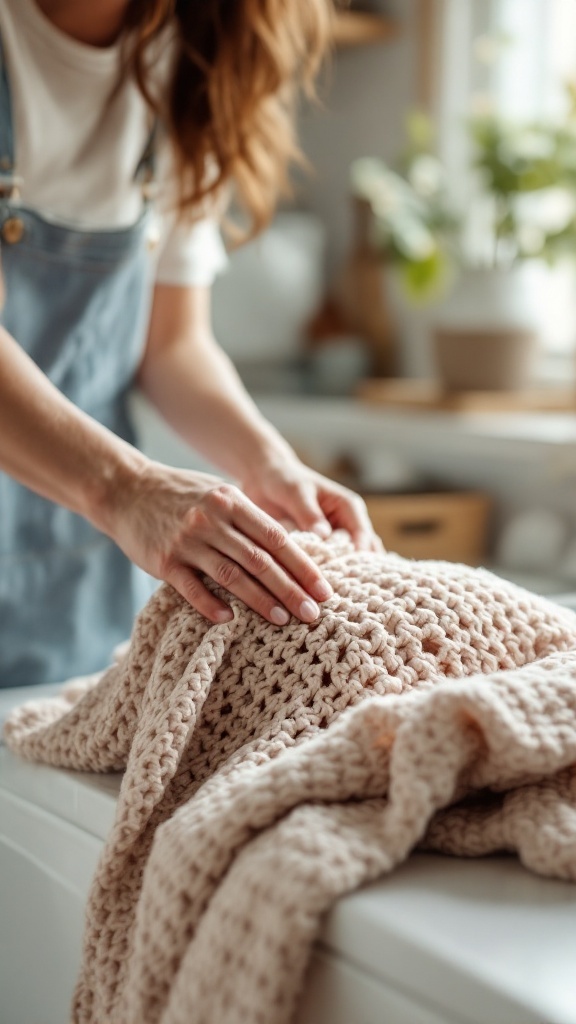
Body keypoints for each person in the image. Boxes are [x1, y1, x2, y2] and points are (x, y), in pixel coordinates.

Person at [0, 0, 381, 689]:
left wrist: (269, 465)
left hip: (68, 583)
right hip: (99, 500)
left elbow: (172, 344)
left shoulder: (192, 64)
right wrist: (126, 487)